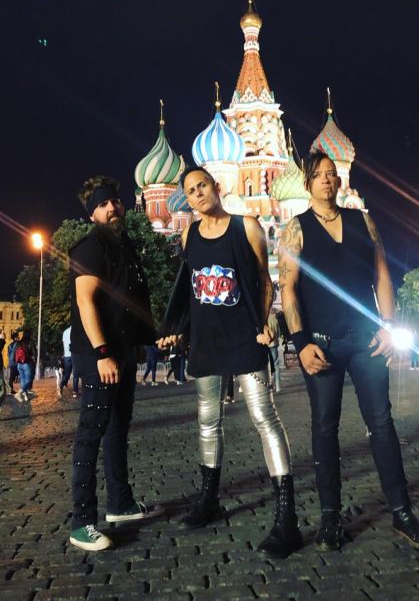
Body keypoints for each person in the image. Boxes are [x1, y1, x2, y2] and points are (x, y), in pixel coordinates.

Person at [279, 151, 419, 551]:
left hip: (367, 340)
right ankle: (330, 518)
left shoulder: (362, 221)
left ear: (339, 180)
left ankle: (402, 513)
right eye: (319, 175)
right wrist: (301, 342)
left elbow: (383, 276)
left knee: (381, 423)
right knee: (324, 428)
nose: (327, 180)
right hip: (322, 344)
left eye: (332, 174)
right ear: (307, 183)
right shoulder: (295, 228)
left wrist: (388, 325)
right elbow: (288, 288)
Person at [158, 166, 302, 558]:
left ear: (217, 187)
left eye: (202, 185)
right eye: (191, 190)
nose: (198, 193)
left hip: (243, 337)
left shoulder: (247, 226)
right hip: (206, 342)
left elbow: (265, 279)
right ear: (187, 199)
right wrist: (178, 330)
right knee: (208, 420)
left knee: (264, 418)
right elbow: (188, 289)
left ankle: (287, 517)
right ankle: (209, 500)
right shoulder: (188, 234)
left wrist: (265, 321)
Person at [68, 175, 163, 552]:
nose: (112, 207)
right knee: (91, 433)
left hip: (121, 351)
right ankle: (82, 522)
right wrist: (103, 352)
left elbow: (128, 297)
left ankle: (120, 503)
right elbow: (86, 301)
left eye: (115, 201)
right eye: (103, 204)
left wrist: (138, 342)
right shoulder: (90, 246)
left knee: (118, 429)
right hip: (100, 355)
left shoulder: (123, 245)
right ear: (92, 212)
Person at [14, 330, 36, 402]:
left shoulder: (19, 342)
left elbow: (15, 353)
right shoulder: (31, 342)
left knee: (23, 380)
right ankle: (19, 393)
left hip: (19, 364)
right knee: (28, 381)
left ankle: (25, 396)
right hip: (27, 364)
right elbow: (34, 353)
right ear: (30, 335)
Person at [60, 325, 81, 398]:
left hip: (67, 355)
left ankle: (61, 385)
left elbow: (64, 343)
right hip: (75, 354)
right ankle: (75, 391)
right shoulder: (77, 331)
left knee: (67, 374)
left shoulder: (65, 332)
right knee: (76, 374)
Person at [267, 311, 282, 392]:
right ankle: (278, 386)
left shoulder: (263, 319)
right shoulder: (274, 319)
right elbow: (279, 334)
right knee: (276, 365)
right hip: (274, 344)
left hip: (265, 345)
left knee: (266, 366)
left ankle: (268, 386)